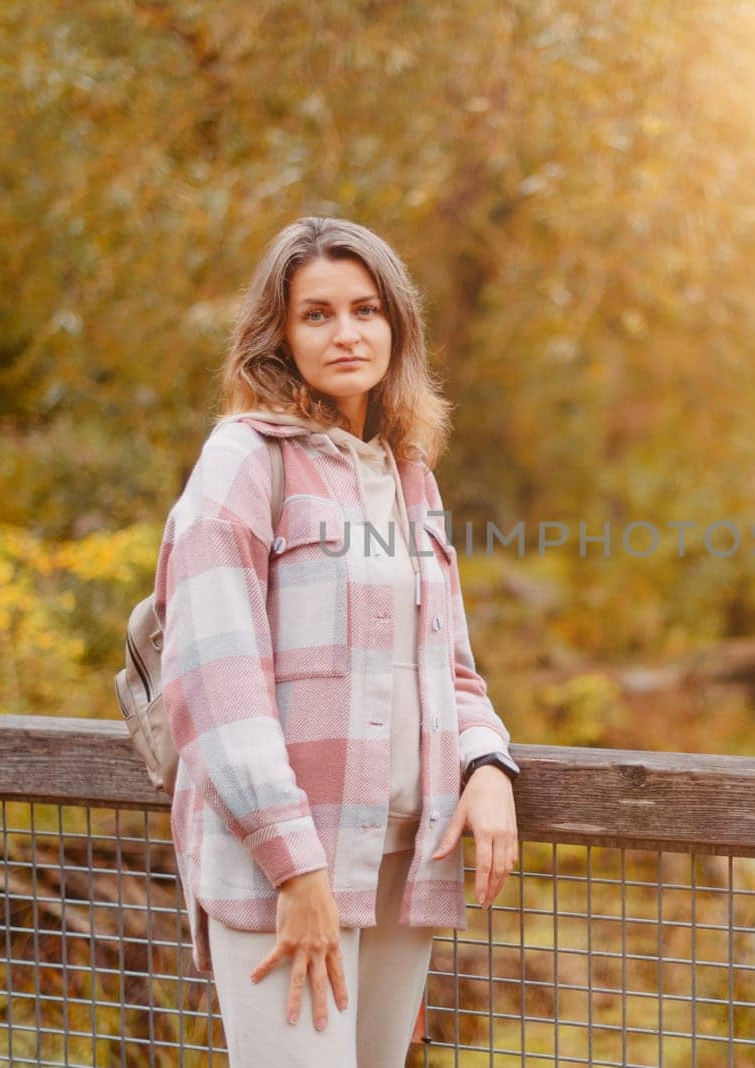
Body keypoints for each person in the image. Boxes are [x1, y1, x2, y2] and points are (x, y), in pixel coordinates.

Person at [152, 216, 521, 1066]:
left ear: (398, 324)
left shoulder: (408, 477)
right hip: (285, 867)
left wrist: (489, 766)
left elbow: (452, 672)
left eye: (365, 309)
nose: (346, 333)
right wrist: (296, 869)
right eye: (316, 314)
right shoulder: (243, 463)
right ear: (278, 334)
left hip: (405, 861)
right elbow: (216, 686)